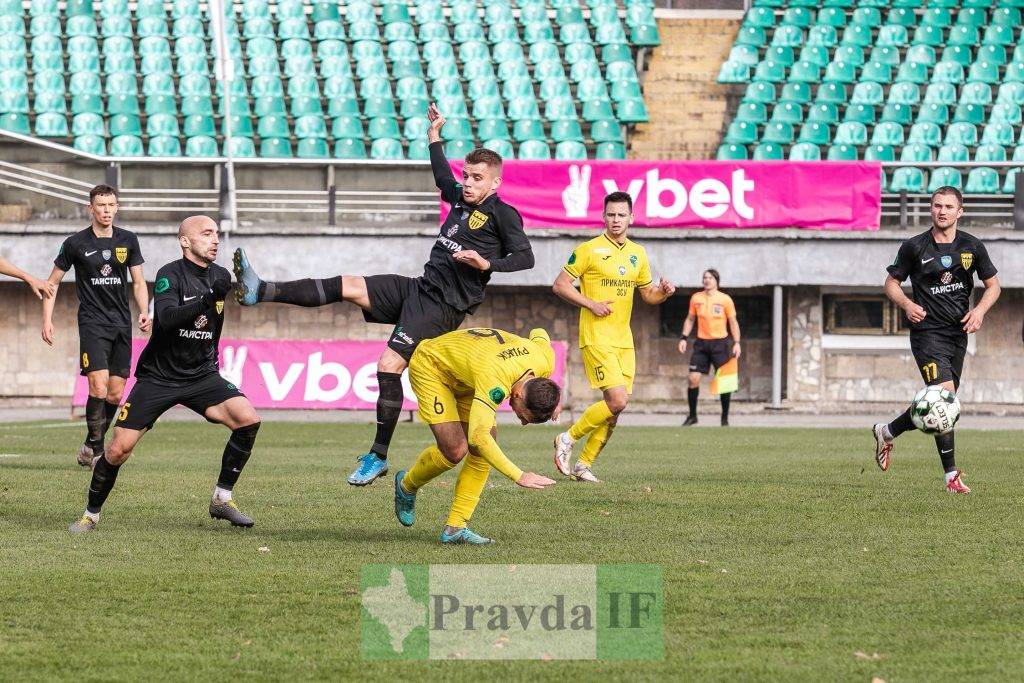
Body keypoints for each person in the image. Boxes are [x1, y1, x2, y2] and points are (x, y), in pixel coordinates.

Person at [231, 103, 534, 487]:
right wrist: (434, 138)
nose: (469, 183)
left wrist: (486, 264)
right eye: (467, 175)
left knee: (389, 366)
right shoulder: (461, 199)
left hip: (441, 307)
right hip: (420, 288)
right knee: (348, 285)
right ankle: (261, 290)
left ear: (495, 183)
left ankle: (377, 456)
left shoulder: (503, 214)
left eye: (477, 178)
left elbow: (525, 257)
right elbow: (444, 180)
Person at [69, 216, 261, 533]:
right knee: (117, 450)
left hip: (201, 376)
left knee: (248, 419)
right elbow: (168, 319)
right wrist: (208, 297)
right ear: (185, 241)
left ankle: (222, 499)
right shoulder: (169, 274)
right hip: (158, 377)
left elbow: (216, 323)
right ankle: (91, 515)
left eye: (216, 234)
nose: (215, 239)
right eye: (206, 234)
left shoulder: (220, 275)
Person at [872, 186, 1000, 494]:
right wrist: (906, 303)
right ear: (931, 209)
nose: (941, 211)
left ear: (960, 212)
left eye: (948, 206)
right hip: (927, 334)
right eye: (937, 205)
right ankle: (951, 477)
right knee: (943, 399)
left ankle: (886, 431)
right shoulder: (914, 247)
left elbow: (993, 286)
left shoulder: (972, 246)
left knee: (945, 405)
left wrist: (980, 311)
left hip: (958, 334)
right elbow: (891, 283)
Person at [392, 326, 560, 544]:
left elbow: (540, 332)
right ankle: (407, 485)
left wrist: (554, 399)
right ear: (517, 393)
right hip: (433, 367)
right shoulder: (496, 380)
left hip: (470, 377)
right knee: (455, 450)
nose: (523, 421)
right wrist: (519, 476)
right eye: (524, 416)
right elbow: (478, 437)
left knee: (482, 451)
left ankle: (455, 528)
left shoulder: (544, 360)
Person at [550, 191, 675, 483]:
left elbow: (648, 294)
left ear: (631, 218)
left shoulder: (638, 254)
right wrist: (591, 303)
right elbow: (560, 285)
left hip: (623, 340)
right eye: (611, 214)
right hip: (596, 335)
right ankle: (567, 438)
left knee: (616, 409)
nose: (616, 220)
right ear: (603, 216)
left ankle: (583, 466)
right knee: (617, 400)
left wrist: (664, 292)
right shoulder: (588, 249)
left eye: (621, 215)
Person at [41, 185, 149, 467]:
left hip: (121, 324)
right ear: (91, 208)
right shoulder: (75, 243)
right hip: (92, 323)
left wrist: (144, 311)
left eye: (111, 205)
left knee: (115, 392)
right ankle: (99, 454)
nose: (106, 210)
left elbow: (138, 282)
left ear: (117, 207)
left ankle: (90, 443)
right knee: (98, 388)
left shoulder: (128, 239)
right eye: (101, 205)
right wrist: (46, 319)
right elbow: (51, 283)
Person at [678, 269, 741, 426]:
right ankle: (692, 416)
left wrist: (737, 342)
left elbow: (733, 322)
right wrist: (683, 338)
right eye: (704, 278)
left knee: (724, 382)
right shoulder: (696, 298)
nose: (707, 280)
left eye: (710, 278)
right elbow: (690, 319)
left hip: (721, 344)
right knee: (693, 378)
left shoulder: (725, 299)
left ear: (716, 281)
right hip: (701, 344)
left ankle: (724, 418)